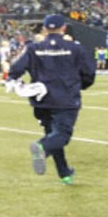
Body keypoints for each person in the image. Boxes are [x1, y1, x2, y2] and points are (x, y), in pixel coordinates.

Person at [8, 13, 96, 185]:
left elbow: (16, 68)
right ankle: (42, 147)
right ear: (63, 28)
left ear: (45, 29)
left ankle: (64, 173)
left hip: (42, 100)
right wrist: (80, 86)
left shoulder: (34, 48)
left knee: (53, 135)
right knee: (62, 135)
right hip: (65, 97)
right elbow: (89, 73)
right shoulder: (75, 48)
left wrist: (14, 79)